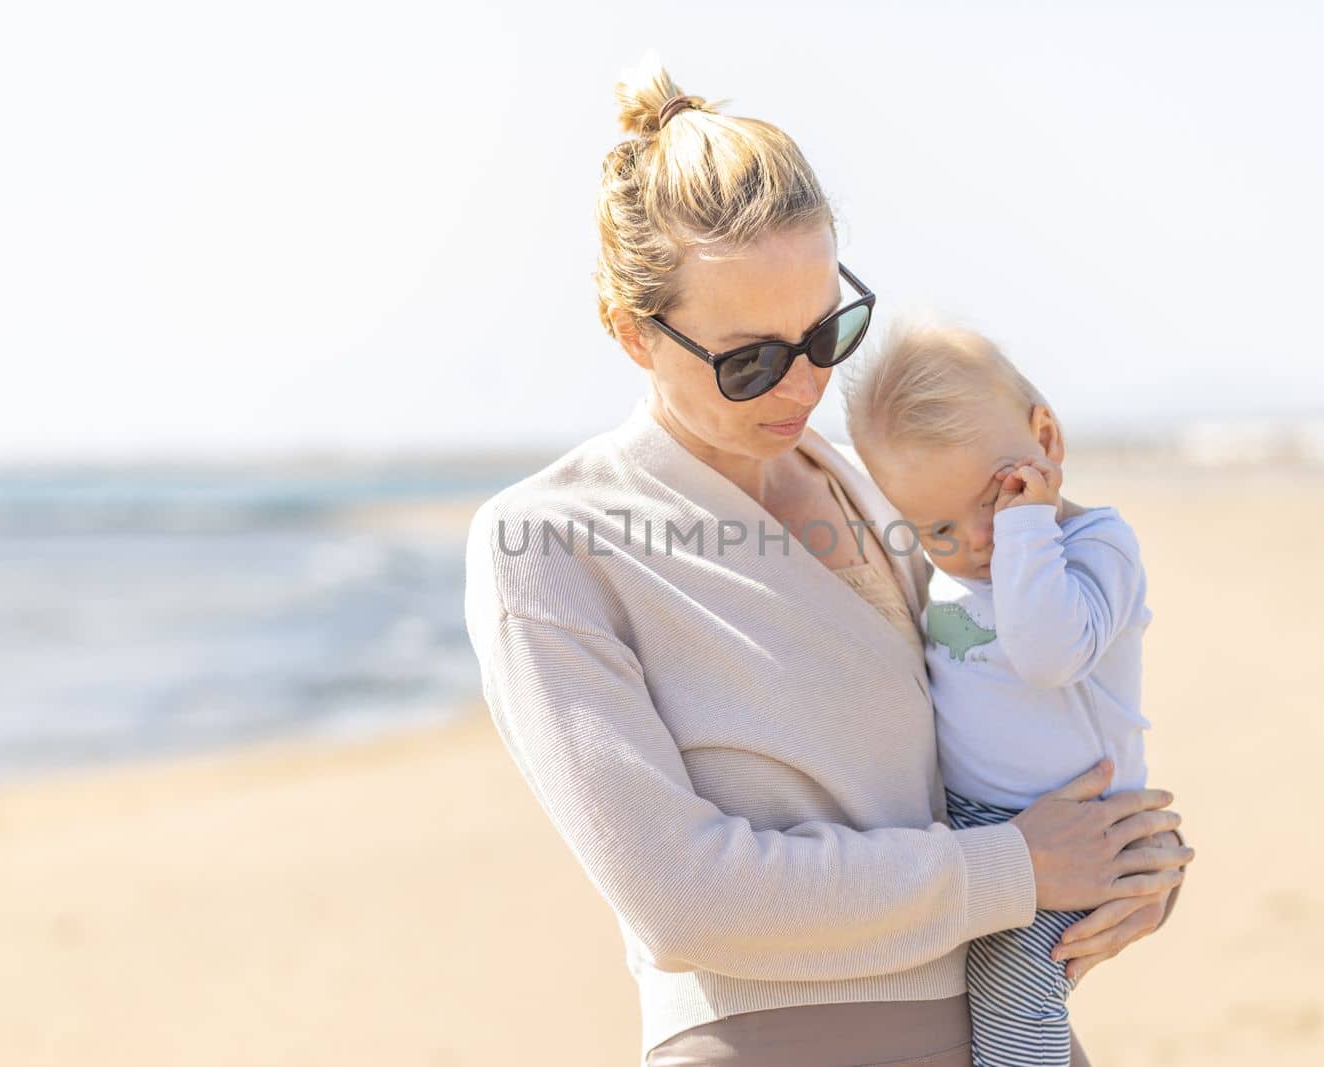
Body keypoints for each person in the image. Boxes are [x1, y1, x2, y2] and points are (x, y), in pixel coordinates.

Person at [461, 55, 1192, 1067]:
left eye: (824, 332)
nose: (801, 384)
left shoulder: (877, 490)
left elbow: (1013, 714)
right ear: (630, 332)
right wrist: (1015, 868)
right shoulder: (549, 543)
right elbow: (681, 898)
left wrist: (1137, 860)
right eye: (747, 359)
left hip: (1007, 1033)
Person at [845, 319, 1171, 1067]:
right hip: (976, 824)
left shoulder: (1097, 547)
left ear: (1045, 442)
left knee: (1012, 988)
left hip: (1078, 825)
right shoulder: (950, 568)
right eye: (938, 527)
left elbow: (1045, 652)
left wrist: (1030, 525)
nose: (977, 539)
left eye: (993, 498)